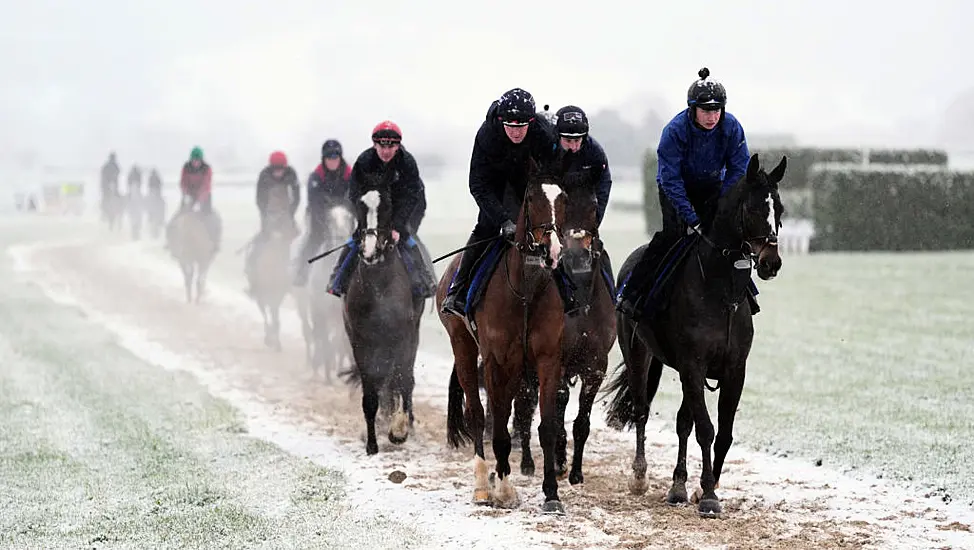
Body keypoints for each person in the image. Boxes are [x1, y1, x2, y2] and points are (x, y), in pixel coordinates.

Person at [615, 67, 751, 320]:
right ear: (692, 109)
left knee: (728, 240)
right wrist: (692, 218)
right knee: (672, 238)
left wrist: (723, 200)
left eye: (716, 110)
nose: (712, 117)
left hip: (714, 188)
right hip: (676, 190)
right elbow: (670, 179)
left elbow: (739, 167)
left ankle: (745, 296)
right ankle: (632, 294)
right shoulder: (674, 131)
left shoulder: (732, 127)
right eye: (705, 111)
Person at [440, 87, 557, 318]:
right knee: (485, 228)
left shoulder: (543, 132)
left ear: (531, 122)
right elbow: (478, 184)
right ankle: (458, 291)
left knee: (550, 233)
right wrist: (503, 219)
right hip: (495, 187)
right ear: (501, 121)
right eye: (510, 126)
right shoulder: (486, 135)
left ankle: (571, 293)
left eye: (522, 126)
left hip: (529, 184)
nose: (516, 132)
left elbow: (554, 173)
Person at [326, 121, 435, 300]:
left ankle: (425, 280)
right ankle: (337, 279)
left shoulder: (407, 162)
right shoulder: (364, 161)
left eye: (391, 146)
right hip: (371, 213)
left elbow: (412, 196)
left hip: (398, 213)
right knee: (354, 240)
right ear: (374, 145)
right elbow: (353, 194)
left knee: (409, 242)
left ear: (398, 146)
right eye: (381, 146)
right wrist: (363, 220)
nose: (386, 151)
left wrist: (398, 226)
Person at [293, 139, 353, 286]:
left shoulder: (350, 175)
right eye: (329, 158)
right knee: (313, 239)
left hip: (345, 218)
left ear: (340, 158)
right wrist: (324, 224)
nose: (332, 161)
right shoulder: (316, 177)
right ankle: (302, 273)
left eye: (335, 157)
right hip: (320, 217)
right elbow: (315, 204)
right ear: (324, 159)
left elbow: (355, 198)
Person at [244, 151, 300, 295]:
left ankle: (298, 281)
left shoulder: (291, 175)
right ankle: (254, 281)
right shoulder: (264, 176)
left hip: (287, 217)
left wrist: (290, 213)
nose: (278, 172)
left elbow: (296, 196)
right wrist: (266, 216)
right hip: (268, 216)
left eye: (281, 169)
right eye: (275, 169)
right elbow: (259, 199)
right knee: (257, 248)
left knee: (297, 247)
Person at [167, 146, 222, 251]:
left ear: (201, 160)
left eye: (197, 160)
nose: (195, 162)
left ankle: (215, 242)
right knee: (176, 218)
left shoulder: (207, 169)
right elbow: (183, 182)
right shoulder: (186, 167)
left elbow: (207, 184)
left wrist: (200, 199)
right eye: (194, 160)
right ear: (191, 159)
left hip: (204, 197)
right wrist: (186, 194)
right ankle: (170, 241)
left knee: (211, 219)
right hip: (189, 196)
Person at [100, 152, 120, 219]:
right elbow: (103, 175)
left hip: (114, 184)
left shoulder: (115, 165)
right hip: (107, 185)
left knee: (118, 196)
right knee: (105, 198)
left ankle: (119, 211)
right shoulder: (107, 166)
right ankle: (103, 212)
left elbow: (118, 172)